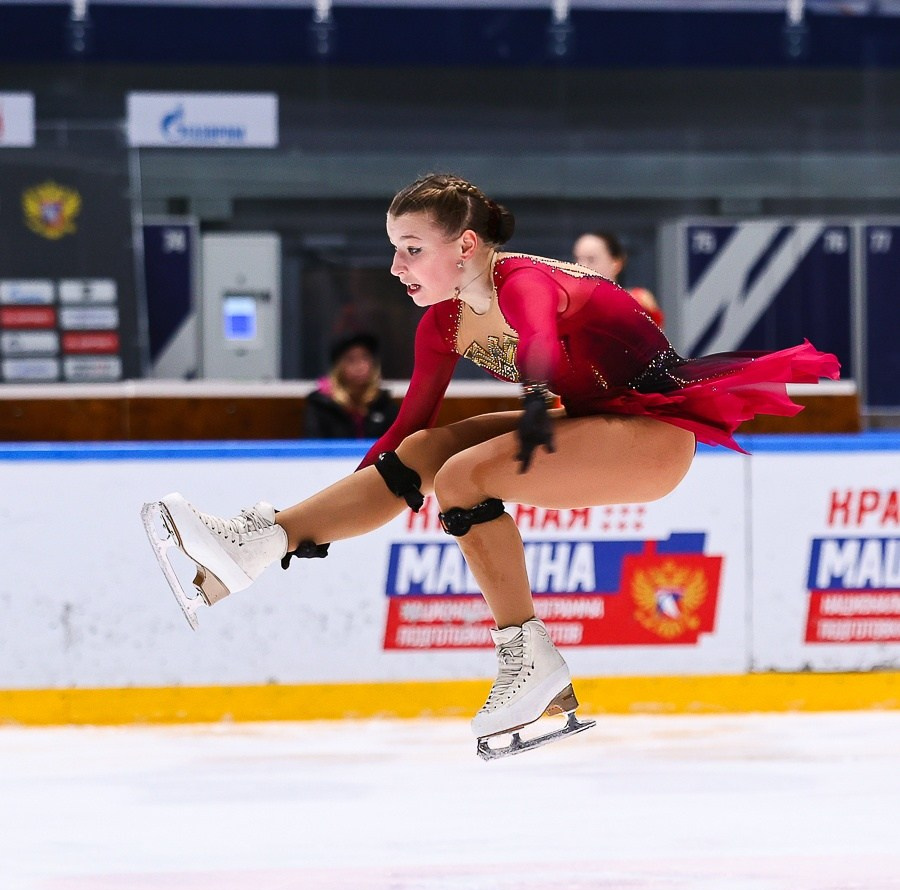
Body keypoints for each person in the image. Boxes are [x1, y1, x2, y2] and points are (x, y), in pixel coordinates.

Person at [143, 173, 839, 758]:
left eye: (411, 250)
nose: (396, 268)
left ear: (466, 246)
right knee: (430, 454)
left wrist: (537, 395)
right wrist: (334, 506)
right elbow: (407, 432)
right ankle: (259, 544)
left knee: (463, 477)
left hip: (653, 434)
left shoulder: (522, 279)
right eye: (394, 251)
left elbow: (537, 330)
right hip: (598, 419)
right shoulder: (441, 324)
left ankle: (528, 656)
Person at [303, 333, 400, 441]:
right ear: (339, 367)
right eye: (351, 360)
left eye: (365, 358)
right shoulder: (322, 406)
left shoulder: (384, 404)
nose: (359, 366)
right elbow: (315, 447)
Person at [573, 229, 665, 327]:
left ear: (616, 263)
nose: (581, 266)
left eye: (591, 259)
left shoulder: (638, 300)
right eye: (578, 259)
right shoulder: (568, 308)